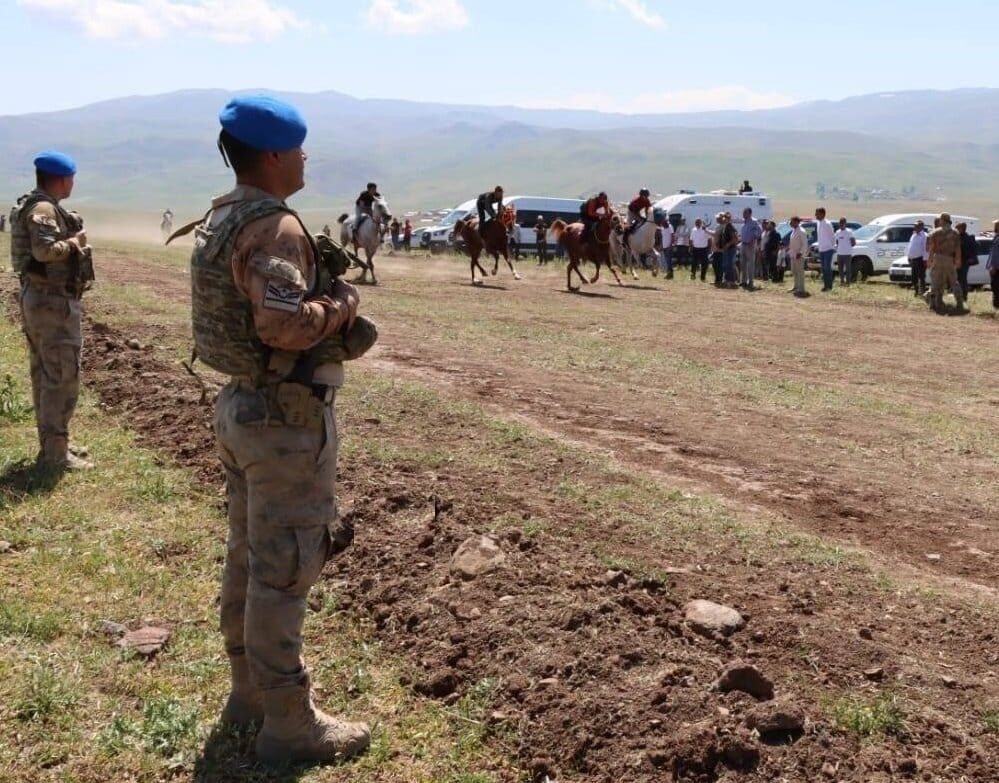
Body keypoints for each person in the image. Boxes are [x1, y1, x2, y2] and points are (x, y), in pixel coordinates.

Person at [188, 95, 372, 764]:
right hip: (283, 419)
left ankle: (248, 696)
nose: (304, 157)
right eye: (297, 148)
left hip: (244, 408)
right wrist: (341, 304)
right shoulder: (275, 228)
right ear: (272, 155)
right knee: (284, 567)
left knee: (247, 556)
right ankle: (289, 724)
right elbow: (284, 326)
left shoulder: (223, 215)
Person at [10, 150, 94, 471]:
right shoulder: (44, 209)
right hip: (52, 302)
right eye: (71, 178)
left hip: (42, 299)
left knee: (46, 373)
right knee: (60, 376)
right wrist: (74, 243)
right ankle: (56, 455)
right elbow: (44, 251)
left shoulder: (38, 205)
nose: (73, 183)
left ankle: (54, 445)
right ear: (60, 180)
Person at [927, 212, 962, 313]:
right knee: (953, 280)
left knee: (935, 281)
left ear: (942, 220)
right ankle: (959, 303)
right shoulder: (955, 233)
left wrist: (930, 260)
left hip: (937, 257)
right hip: (949, 258)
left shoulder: (935, 232)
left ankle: (933, 303)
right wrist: (958, 260)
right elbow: (958, 248)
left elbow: (931, 248)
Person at [739, 207, 762, 290]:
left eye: (745, 213)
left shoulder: (754, 222)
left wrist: (753, 239)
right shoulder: (744, 222)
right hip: (743, 244)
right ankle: (743, 281)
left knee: (750, 265)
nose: (743, 214)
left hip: (750, 245)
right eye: (743, 212)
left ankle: (751, 282)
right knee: (743, 264)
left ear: (750, 213)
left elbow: (759, 231)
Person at [815, 207, 836, 291]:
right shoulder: (818, 223)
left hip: (828, 249)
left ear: (822, 214)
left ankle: (829, 286)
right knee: (823, 268)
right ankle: (825, 285)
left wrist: (832, 246)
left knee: (827, 267)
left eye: (817, 213)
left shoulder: (827, 223)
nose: (815, 215)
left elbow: (832, 236)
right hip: (821, 249)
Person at [956, 222, 978, 302]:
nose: (956, 230)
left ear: (962, 229)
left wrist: (970, 258)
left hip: (964, 262)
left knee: (962, 280)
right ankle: (959, 296)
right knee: (958, 279)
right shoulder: (958, 237)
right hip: (958, 261)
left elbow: (972, 249)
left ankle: (964, 297)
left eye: (958, 228)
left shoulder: (967, 238)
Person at [788, 216, 809, 297]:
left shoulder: (802, 231)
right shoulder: (794, 230)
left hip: (799, 255)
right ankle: (796, 286)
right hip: (793, 255)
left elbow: (805, 244)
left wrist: (800, 253)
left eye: (792, 221)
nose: (790, 223)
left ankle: (801, 289)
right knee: (794, 271)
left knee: (800, 272)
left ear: (797, 222)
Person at [907, 221, 928, 297]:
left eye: (916, 226)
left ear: (921, 227)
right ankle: (916, 291)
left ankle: (922, 292)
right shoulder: (913, 235)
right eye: (914, 226)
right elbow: (910, 246)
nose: (915, 227)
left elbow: (926, 249)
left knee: (921, 277)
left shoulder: (924, 236)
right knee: (914, 277)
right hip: (913, 259)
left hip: (920, 259)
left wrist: (925, 259)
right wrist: (909, 256)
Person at [834, 218, 856, 285]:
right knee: (840, 269)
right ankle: (842, 281)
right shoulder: (837, 232)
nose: (841, 225)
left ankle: (848, 282)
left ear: (845, 224)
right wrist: (839, 247)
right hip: (840, 253)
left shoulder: (849, 232)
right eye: (840, 223)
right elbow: (837, 241)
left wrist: (848, 247)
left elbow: (853, 242)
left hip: (847, 253)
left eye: (842, 223)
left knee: (848, 269)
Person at [720, 211, 739, 287]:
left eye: (726, 217)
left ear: (728, 219)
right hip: (726, 249)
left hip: (731, 249)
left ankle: (732, 281)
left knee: (730, 265)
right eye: (724, 217)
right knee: (725, 265)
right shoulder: (725, 226)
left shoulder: (730, 227)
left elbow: (735, 238)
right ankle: (727, 280)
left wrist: (728, 244)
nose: (724, 218)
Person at [987, 219, 999, 310]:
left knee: (996, 287)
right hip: (995, 267)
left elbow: (996, 254)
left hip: (997, 268)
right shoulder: (996, 237)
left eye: (996, 225)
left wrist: (994, 266)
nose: (994, 227)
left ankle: (997, 305)